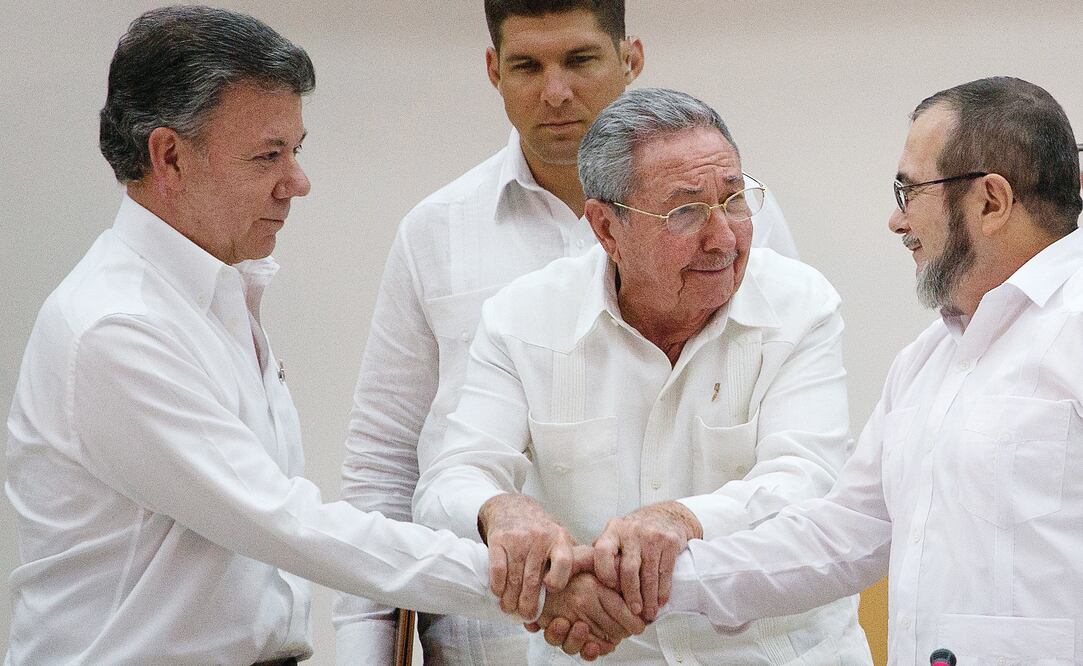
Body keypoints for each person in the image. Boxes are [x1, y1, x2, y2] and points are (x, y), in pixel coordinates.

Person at [4, 7, 640, 664]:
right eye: (268, 156)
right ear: (169, 156)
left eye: (296, 150)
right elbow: (291, 523)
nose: (297, 182)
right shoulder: (118, 326)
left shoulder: (215, 297)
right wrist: (539, 585)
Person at [334, 1, 799, 662]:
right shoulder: (437, 232)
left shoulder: (734, 221)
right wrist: (363, 650)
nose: (554, 92)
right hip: (490, 638)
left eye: (579, 60)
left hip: (702, 635)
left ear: (630, 59)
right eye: (527, 65)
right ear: (493, 70)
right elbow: (384, 458)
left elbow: (790, 436)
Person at [610, 77, 1083, 664]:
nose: (896, 221)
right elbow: (840, 536)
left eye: (909, 191)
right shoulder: (928, 361)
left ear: (990, 201)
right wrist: (648, 582)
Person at [414, 87, 872, 664]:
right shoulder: (523, 320)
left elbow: (807, 481)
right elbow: (450, 481)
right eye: (685, 212)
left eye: (734, 200)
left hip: (774, 651)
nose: (723, 238)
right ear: (607, 229)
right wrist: (500, 511)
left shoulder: (801, 306)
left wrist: (683, 520)